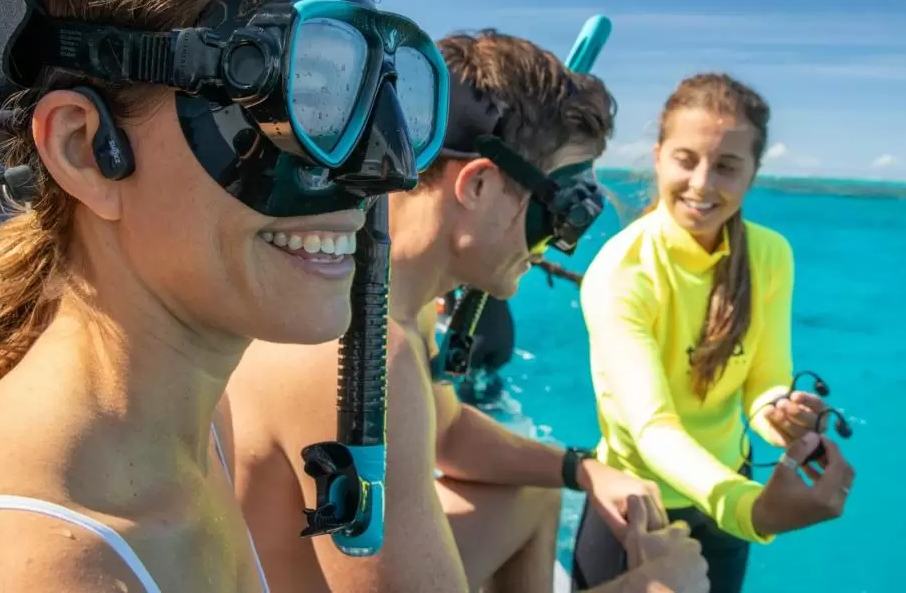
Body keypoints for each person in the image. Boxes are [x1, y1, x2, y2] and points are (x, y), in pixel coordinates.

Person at [0, 0, 446, 590]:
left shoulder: (197, 433)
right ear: (85, 149)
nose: (388, 169)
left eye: (373, 96)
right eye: (304, 96)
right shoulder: (31, 566)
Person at [224, 30, 712, 592]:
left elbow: (447, 433)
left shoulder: (385, 295)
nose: (559, 243)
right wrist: (659, 585)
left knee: (533, 493)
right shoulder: (356, 353)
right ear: (477, 185)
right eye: (565, 211)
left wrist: (580, 467)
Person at [572, 73, 857, 593]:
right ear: (659, 157)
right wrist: (751, 510)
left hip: (728, 489)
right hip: (637, 508)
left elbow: (764, 381)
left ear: (751, 175)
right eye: (686, 159)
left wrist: (782, 418)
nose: (702, 183)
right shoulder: (621, 272)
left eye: (726, 166)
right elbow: (651, 428)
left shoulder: (771, 254)